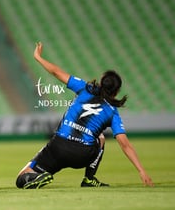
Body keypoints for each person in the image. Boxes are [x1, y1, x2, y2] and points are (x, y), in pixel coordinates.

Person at [15, 42, 154, 189]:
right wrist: (142, 171)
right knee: (100, 137)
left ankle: (38, 176)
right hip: (82, 155)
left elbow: (56, 72)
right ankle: (89, 178)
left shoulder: (84, 88)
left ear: (101, 83)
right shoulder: (112, 111)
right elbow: (124, 144)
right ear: (116, 92)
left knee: (21, 179)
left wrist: (38, 57)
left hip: (58, 147)